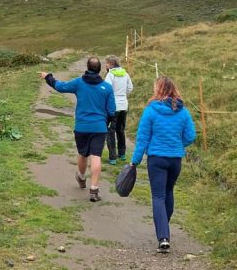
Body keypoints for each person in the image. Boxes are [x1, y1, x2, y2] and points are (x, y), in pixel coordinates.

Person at [129, 76, 197, 254]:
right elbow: (190, 136)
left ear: (158, 90)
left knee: (158, 196)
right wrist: (178, 144)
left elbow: (142, 139)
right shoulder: (183, 112)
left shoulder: (151, 111)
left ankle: (163, 237)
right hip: (175, 160)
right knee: (168, 192)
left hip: (156, 159)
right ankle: (164, 227)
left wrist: (135, 161)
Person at [40, 56, 117, 202]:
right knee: (96, 156)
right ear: (99, 69)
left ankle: (81, 177)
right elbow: (112, 111)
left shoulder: (79, 83)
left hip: (82, 126)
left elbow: (61, 87)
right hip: (99, 127)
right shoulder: (107, 88)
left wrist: (48, 77)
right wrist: (105, 123)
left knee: (82, 154)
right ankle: (94, 190)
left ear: (87, 68)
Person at [104, 55, 133, 165]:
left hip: (113, 106)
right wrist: (123, 96)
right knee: (120, 129)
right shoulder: (125, 74)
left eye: (107, 63)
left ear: (111, 64)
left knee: (110, 131)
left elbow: (107, 89)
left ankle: (112, 157)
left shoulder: (110, 74)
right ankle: (122, 153)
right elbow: (130, 88)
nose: (105, 65)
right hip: (124, 105)